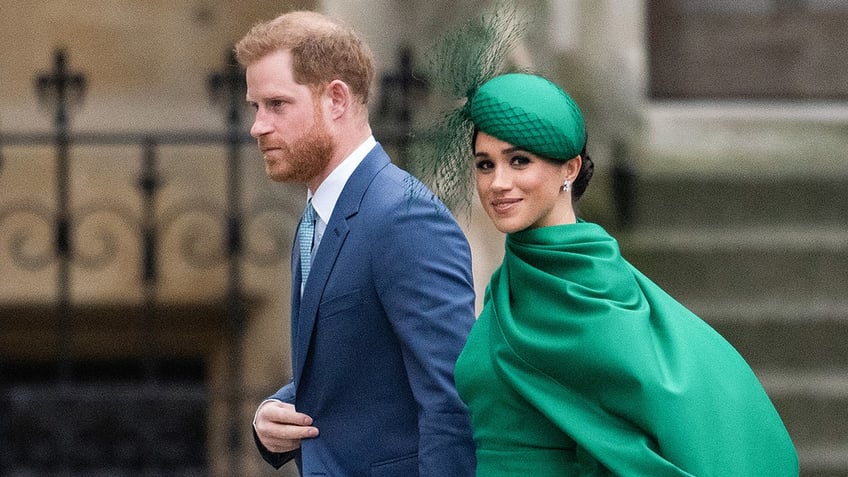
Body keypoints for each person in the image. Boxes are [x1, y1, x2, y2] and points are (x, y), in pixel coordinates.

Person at [448, 72, 800, 476]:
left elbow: (676, 411)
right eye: (485, 164)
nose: (498, 183)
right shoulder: (509, 284)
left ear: (570, 169)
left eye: (519, 161)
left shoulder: (589, 288)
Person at [235, 10, 476, 476]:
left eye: (277, 105)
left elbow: (453, 402)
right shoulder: (316, 217)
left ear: (337, 99)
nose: (257, 126)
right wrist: (273, 414)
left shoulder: (405, 217)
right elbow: (360, 371)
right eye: (254, 107)